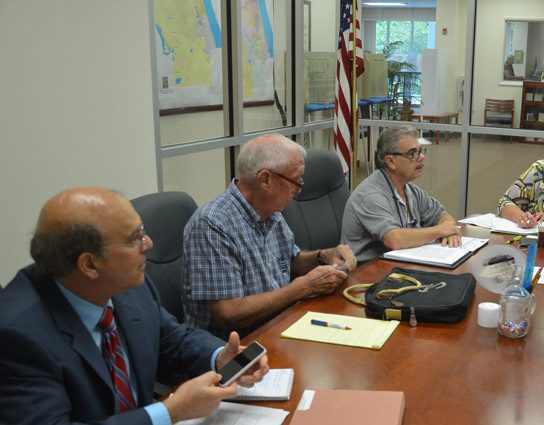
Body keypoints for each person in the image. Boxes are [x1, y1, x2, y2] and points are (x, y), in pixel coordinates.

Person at [0, 188, 269, 425]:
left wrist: (221, 357)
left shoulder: (129, 286)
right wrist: (170, 412)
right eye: (134, 238)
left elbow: (172, 339)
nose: (148, 244)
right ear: (90, 264)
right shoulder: (17, 335)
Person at [182, 134, 357, 339]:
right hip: (237, 350)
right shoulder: (213, 224)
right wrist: (303, 287)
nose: (299, 189)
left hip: (279, 327)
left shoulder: (270, 210)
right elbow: (230, 314)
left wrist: (323, 255)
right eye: (296, 180)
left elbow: (289, 261)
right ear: (265, 179)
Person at [341, 126, 462, 263]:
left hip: (400, 266)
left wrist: (450, 232)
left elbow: (443, 216)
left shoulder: (410, 189)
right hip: (367, 275)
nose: (422, 157)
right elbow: (395, 240)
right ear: (391, 161)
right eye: (412, 153)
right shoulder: (370, 196)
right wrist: (441, 231)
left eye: (420, 151)